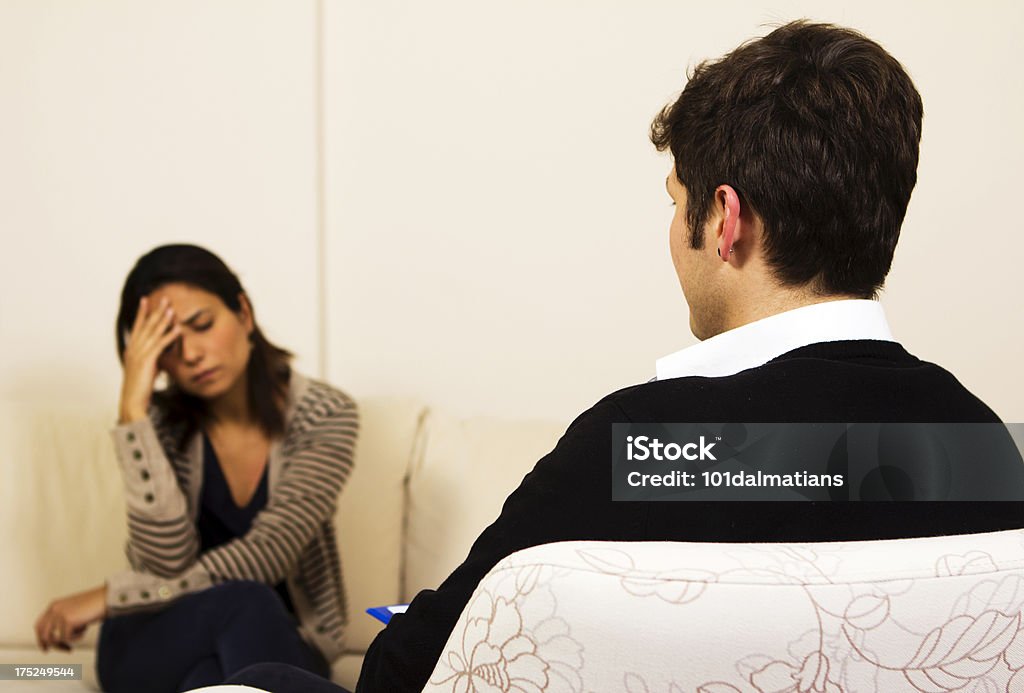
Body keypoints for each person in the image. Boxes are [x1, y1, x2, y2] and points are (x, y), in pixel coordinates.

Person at [226, 20, 1024, 693]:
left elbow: (410, 667)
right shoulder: (986, 451)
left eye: (676, 203)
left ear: (725, 220)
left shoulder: (639, 449)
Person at [33, 244, 359, 692]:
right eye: (167, 344)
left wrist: (113, 596)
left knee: (224, 660)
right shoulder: (158, 426)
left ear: (243, 313)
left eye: (202, 325)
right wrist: (132, 413)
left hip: (280, 641)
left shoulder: (325, 415)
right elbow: (166, 562)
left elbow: (269, 553)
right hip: (156, 639)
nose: (190, 354)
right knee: (244, 608)